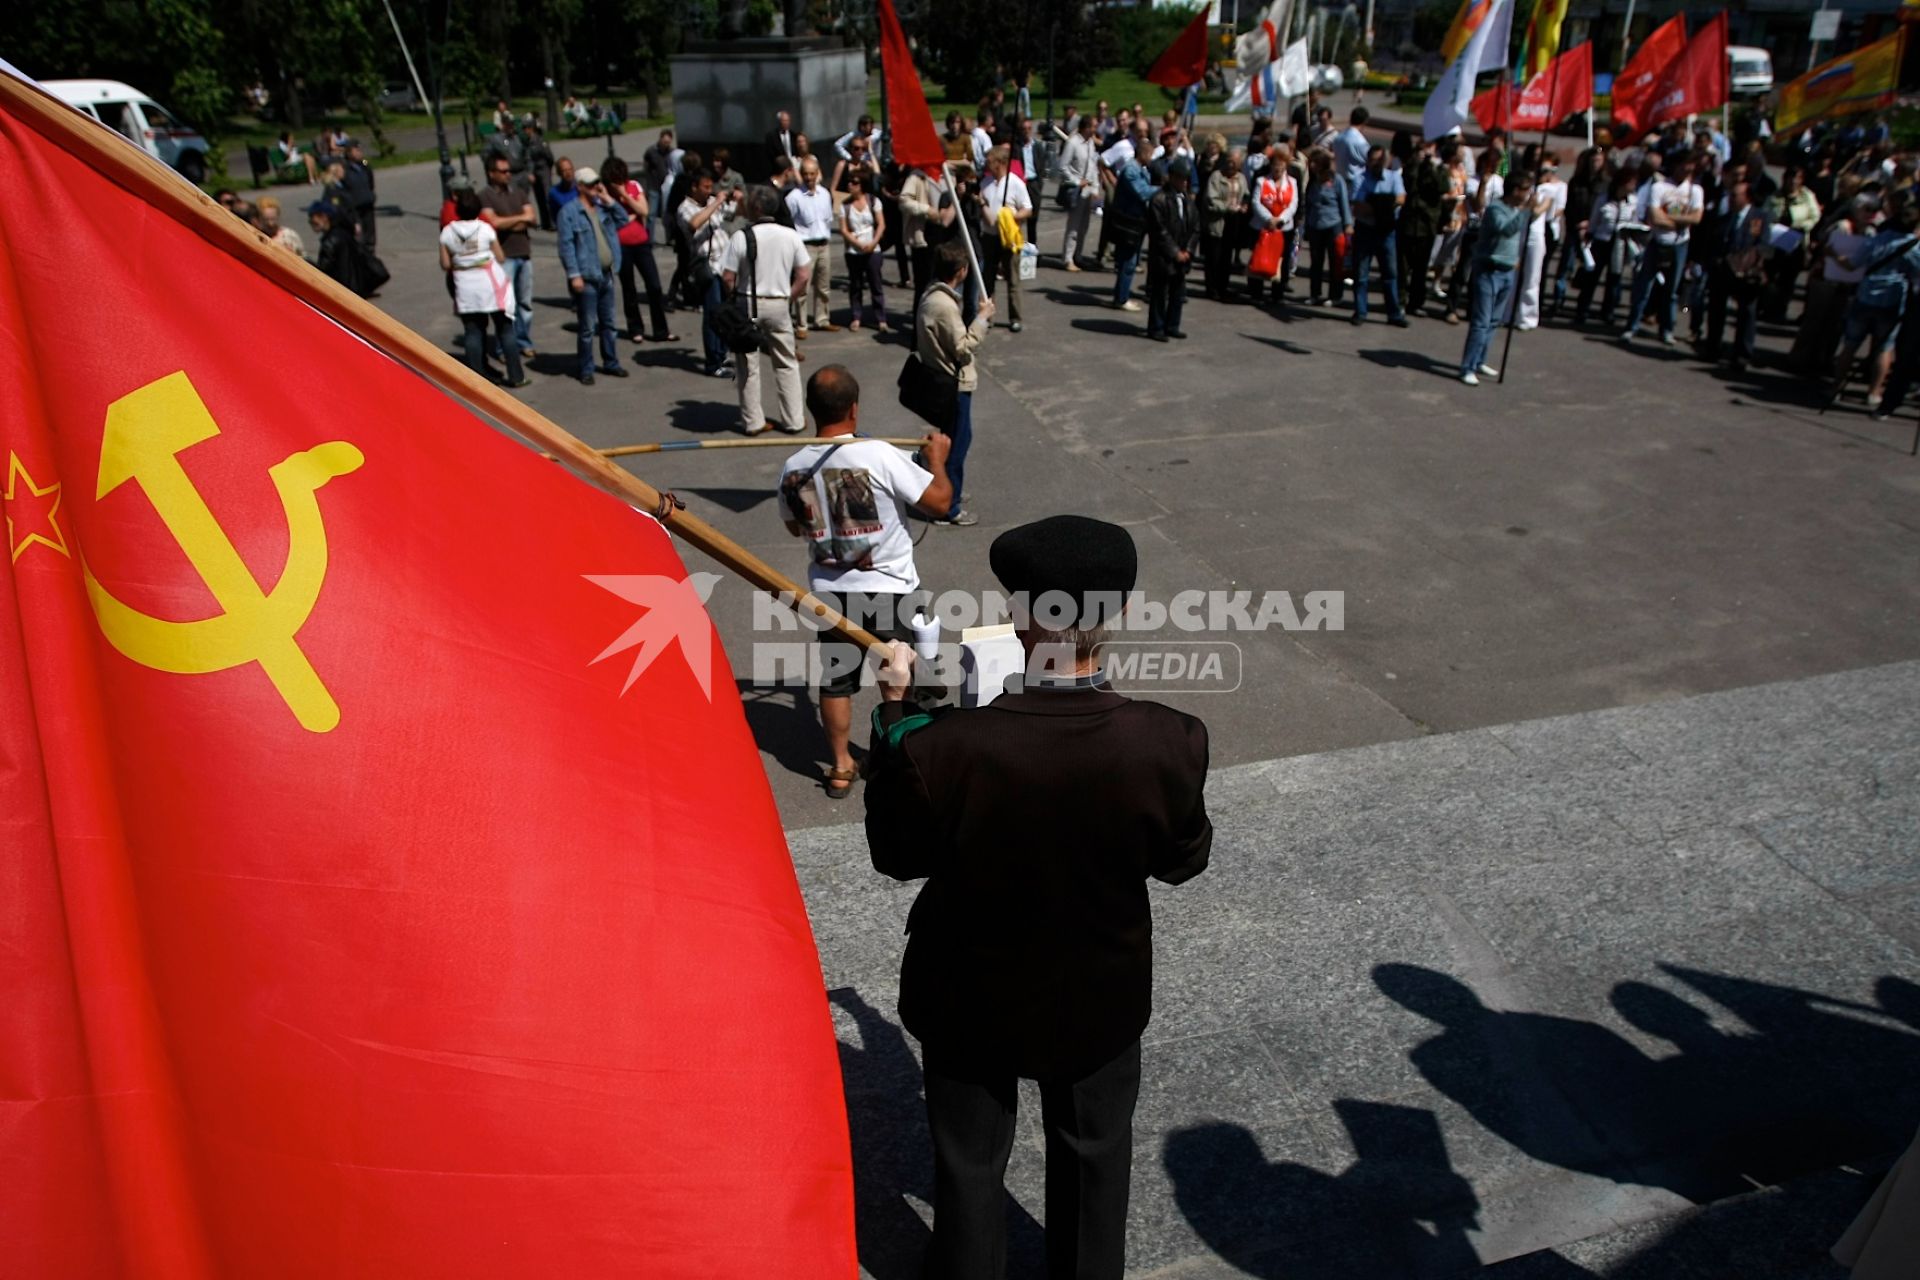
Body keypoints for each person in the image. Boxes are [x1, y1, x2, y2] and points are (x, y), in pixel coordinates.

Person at [862, 513, 1212, 1280]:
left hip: (969, 991)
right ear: (1116, 613)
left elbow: (896, 855)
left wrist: (896, 713)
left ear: (1019, 618)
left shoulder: (940, 746)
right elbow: (1183, 862)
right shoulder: (1172, 737)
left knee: (968, 1165)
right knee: (1094, 1165)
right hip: (1099, 992)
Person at [778, 365, 951, 798]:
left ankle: (840, 766)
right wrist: (938, 462)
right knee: (901, 674)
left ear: (811, 409)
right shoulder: (878, 453)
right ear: (854, 408)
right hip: (890, 588)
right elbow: (941, 503)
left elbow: (793, 529)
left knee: (836, 681)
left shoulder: (795, 466)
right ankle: (906, 756)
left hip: (830, 593)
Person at [915, 241, 991, 526]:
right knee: (958, 443)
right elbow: (963, 346)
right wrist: (982, 319)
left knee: (954, 438)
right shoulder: (944, 305)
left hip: (943, 379)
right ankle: (949, 506)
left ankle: (950, 490)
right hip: (952, 382)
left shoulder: (934, 296)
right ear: (961, 271)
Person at [726, 186, 812, 435]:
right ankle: (794, 419)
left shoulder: (741, 237)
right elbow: (803, 274)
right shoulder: (790, 236)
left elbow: (728, 276)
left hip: (748, 303)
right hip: (778, 303)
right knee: (786, 361)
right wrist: (788, 296)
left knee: (747, 365)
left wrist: (736, 297)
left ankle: (753, 422)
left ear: (755, 208)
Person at [1827, 204, 1920, 409]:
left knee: (1850, 345)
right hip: (1892, 302)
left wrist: (1833, 254)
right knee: (1884, 348)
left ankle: (1836, 387)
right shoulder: (1914, 247)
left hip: (1865, 297)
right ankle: (1874, 392)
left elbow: (1851, 264)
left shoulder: (1876, 240)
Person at [438, 187, 528, 388]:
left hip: (466, 288)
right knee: (505, 330)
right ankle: (516, 376)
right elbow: (501, 257)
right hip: (491, 286)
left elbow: (445, 264)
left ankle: (478, 381)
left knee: (473, 332)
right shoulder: (485, 229)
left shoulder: (447, 232)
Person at [554, 166, 629, 386]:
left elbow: (624, 220)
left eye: (597, 183)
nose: (596, 187)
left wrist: (609, 199)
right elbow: (566, 247)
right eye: (591, 184)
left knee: (609, 323)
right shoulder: (569, 212)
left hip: (606, 273)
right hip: (586, 276)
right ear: (580, 187)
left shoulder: (602, 208)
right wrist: (573, 275)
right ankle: (586, 368)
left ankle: (611, 362)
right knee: (587, 327)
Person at [1459, 173, 1535, 386]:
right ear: (1515, 190)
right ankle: (1468, 366)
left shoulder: (1514, 210)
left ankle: (1480, 359)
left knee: (1494, 321)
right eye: (1525, 190)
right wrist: (1527, 210)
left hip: (1507, 270)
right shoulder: (1496, 210)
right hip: (1489, 270)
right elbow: (1506, 230)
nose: (1527, 194)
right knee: (1481, 322)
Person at [1621, 153, 1703, 346]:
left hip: (1679, 244)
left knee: (1671, 290)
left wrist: (1669, 220)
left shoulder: (1695, 190)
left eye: (1691, 166)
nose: (1688, 170)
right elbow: (1654, 216)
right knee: (1644, 286)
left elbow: (1696, 218)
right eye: (1684, 165)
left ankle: (1666, 329)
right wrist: (1679, 221)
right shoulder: (1659, 187)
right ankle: (1631, 326)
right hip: (1657, 241)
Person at [602, 156, 675, 345]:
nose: (619, 183)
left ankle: (661, 330)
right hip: (621, 246)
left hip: (641, 243)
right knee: (629, 288)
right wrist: (628, 214)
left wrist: (625, 196)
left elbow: (644, 210)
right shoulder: (605, 195)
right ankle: (635, 328)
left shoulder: (633, 186)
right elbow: (614, 221)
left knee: (654, 286)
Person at [1698, 178, 1769, 371]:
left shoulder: (1759, 218)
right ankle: (1713, 347)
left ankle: (1742, 355)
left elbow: (1763, 244)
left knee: (1747, 313)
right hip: (1723, 272)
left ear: (1747, 198)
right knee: (1716, 310)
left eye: (1735, 195)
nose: (1731, 199)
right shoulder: (1724, 219)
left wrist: (1748, 261)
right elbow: (1713, 242)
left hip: (1745, 274)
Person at [478, 152, 539, 363]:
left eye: (509, 171)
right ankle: (505, 347)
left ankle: (524, 341)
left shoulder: (519, 192)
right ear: (491, 173)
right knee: (505, 305)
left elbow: (532, 218)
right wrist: (520, 219)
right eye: (503, 171)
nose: (508, 175)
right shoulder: (485, 196)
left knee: (525, 303)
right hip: (504, 258)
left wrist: (510, 222)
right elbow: (493, 223)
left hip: (524, 253)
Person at [679, 167, 737, 377]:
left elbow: (736, 212)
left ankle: (722, 354)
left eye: (711, 187)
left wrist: (736, 197)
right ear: (694, 187)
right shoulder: (685, 207)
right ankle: (713, 362)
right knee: (712, 313)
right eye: (705, 187)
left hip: (724, 266)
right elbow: (695, 223)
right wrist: (716, 202)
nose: (709, 190)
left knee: (724, 313)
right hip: (706, 266)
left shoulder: (712, 202)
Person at [1350, 145, 1409, 327]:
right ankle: (1360, 311)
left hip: (1387, 232)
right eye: (1373, 159)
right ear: (1368, 161)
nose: (1376, 163)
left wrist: (1376, 204)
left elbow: (1401, 198)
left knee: (1390, 274)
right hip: (1365, 230)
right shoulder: (1360, 179)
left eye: (1379, 159)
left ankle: (1394, 314)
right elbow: (1359, 206)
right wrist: (1384, 206)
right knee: (1361, 274)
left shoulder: (1393, 177)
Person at [977, 145, 1031, 332]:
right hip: (990, 236)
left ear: (1000, 163)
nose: (987, 165)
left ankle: (1015, 317)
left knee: (1013, 279)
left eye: (990, 162)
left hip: (1008, 238)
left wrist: (1010, 216)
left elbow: (1027, 208)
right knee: (987, 279)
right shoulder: (985, 182)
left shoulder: (1015, 183)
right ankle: (987, 317)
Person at [1145, 158, 1197, 341]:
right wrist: (1175, 252)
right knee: (1160, 293)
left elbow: (1194, 228)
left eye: (1186, 179)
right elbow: (1159, 231)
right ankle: (1156, 327)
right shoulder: (1159, 199)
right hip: (1164, 256)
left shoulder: (1187, 200)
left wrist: (1188, 251)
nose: (1184, 182)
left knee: (1177, 292)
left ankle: (1172, 325)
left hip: (1183, 254)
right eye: (1181, 178)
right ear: (1172, 177)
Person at [787, 157, 838, 335]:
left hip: (824, 244)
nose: (809, 177)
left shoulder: (824, 194)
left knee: (823, 285)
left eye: (812, 174)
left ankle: (822, 319)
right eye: (805, 174)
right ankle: (801, 324)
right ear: (801, 175)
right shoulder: (794, 197)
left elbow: (829, 219)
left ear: (817, 174)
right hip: (805, 246)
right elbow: (788, 223)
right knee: (803, 287)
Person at [1515, 155, 1567, 330]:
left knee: (1532, 277)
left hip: (1536, 236)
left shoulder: (1550, 190)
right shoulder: (1528, 188)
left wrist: (1532, 202)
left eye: (1549, 171)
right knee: (1514, 276)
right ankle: (1509, 313)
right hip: (1521, 233)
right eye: (1542, 170)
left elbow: (1538, 211)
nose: (1545, 174)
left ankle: (1527, 317)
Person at [1399, 137, 1447, 317]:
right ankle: (1400, 301)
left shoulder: (1439, 168)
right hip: (1409, 224)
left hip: (1427, 225)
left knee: (1421, 269)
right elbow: (1409, 185)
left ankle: (1416, 302)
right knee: (1403, 268)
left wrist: (1431, 166)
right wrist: (1416, 163)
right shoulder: (1411, 166)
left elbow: (1442, 187)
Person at [1246, 143, 1299, 305]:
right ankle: (1256, 293)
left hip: (1284, 229)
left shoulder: (1292, 182)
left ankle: (1277, 293)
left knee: (1281, 261)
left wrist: (1280, 220)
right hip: (1262, 226)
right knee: (1259, 257)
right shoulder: (1262, 181)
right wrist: (1269, 219)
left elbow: (1293, 204)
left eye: (1281, 164)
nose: (1278, 168)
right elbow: (1256, 202)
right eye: (1275, 164)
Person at [1106, 143, 1157, 312]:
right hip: (1128, 222)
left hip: (1135, 221)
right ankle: (1121, 298)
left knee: (1127, 260)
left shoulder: (1140, 169)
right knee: (1128, 261)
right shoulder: (1131, 170)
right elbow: (1142, 192)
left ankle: (1121, 295)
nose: (1152, 158)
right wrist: (1163, 188)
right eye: (1150, 154)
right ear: (1143, 153)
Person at [1301, 146, 1352, 307]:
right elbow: (1308, 204)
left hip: (1333, 226)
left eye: (1314, 162)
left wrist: (1348, 225)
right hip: (1315, 225)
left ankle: (1335, 295)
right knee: (1316, 262)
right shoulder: (1312, 181)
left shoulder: (1337, 181)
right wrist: (1306, 225)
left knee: (1335, 261)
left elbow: (1344, 203)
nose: (1311, 165)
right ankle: (1314, 294)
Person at [897, 162, 955, 303]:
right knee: (924, 282)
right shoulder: (917, 176)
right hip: (925, 233)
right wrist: (926, 210)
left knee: (943, 280)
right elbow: (904, 201)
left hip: (947, 233)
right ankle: (920, 319)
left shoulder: (949, 175)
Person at [838, 173, 889, 332]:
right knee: (856, 284)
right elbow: (843, 230)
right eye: (849, 182)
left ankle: (881, 318)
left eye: (854, 182)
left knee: (876, 284)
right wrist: (857, 244)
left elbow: (881, 224)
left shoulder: (873, 201)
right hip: (854, 251)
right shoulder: (845, 205)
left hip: (873, 249)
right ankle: (856, 316)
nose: (850, 185)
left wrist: (873, 243)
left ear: (862, 185)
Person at [1202, 147, 1249, 301]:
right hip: (1217, 220)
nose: (1231, 166)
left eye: (1234, 163)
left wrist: (1244, 205)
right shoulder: (1216, 177)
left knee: (1226, 257)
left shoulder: (1241, 178)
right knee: (1214, 257)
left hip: (1233, 222)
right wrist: (1227, 207)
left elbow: (1246, 194)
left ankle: (1223, 287)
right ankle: (1212, 288)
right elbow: (1210, 200)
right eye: (1229, 161)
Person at [1056, 114, 1100, 273]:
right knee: (1073, 226)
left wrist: (1095, 188)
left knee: (1084, 226)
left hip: (1087, 191)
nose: (1096, 129)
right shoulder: (1073, 143)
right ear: (1087, 127)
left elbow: (1093, 165)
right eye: (1094, 126)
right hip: (1076, 190)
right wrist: (1076, 181)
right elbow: (1062, 166)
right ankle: (1067, 258)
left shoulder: (1090, 143)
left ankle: (1078, 255)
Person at [340, 138, 377, 250]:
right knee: (359, 238)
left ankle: (370, 255)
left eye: (359, 149)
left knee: (370, 237)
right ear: (349, 152)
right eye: (356, 150)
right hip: (355, 208)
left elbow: (370, 183)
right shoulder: (344, 169)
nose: (359, 152)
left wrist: (370, 195)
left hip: (367, 205)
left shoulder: (364, 166)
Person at [525, 123, 557, 230]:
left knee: (548, 195)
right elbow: (528, 159)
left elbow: (549, 156)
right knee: (539, 197)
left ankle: (553, 222)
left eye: (526, 128)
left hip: (543, 169)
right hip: (534, 172)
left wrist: (548, 169)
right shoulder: (527, 142)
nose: (525, 131)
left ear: (531, 129)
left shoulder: (540, 141)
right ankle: (545, 222)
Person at [1332, 106, 1372, 189]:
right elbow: (1371, 160)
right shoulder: (1360, 141)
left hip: (1340, 180)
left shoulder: (1339, 137)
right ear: (1365, 121)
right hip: (1355, 183)